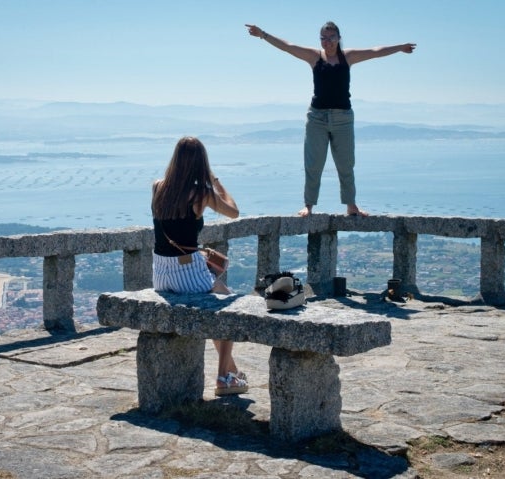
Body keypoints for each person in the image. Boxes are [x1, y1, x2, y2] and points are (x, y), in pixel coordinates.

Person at [245, 21, 416, 217]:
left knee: (346, 164)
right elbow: (288, 47)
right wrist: (262, 34)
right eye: (323, 38)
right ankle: (308, 205)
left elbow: (376, 51)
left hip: (343, 118)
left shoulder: (348, 57)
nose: (327, 42)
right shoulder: (314, 56)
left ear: (339, 38)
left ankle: (351, 205)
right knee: (313, 163)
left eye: (331, 38)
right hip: (317, 117)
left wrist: (400, 48)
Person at [151, 136, 248, 396]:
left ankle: (234, 373)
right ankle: (223, 378)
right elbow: (234, 212)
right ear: (201, 164)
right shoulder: (202, 193)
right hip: (187, 273)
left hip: (160, 274)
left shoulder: (158, 187)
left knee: (217, 299)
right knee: (229, 305)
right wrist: (215, 181)